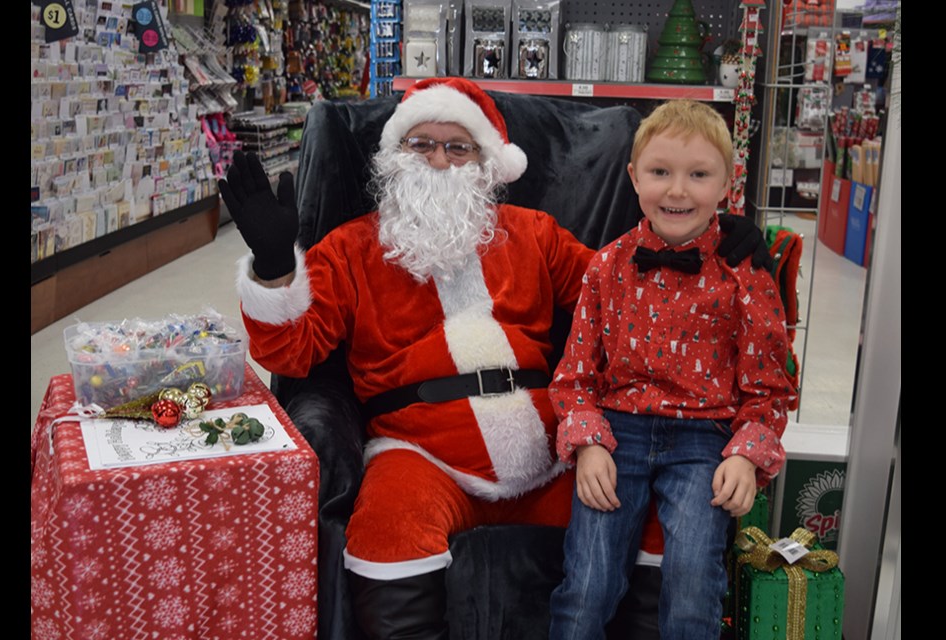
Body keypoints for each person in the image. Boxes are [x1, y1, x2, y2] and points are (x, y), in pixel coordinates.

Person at [219, 78, 771, 640]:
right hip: (420, 451)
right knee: (387, 529)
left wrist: (709, 241)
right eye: (421, 144)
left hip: (553, 453)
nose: (439, 159)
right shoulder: (353, 247)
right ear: (394, 156)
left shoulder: (533, 235)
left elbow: (625, 294)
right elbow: (292, 350)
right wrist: (272, 268)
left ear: (487, 163)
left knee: (653, 521)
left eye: (458, 147)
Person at [547, 99, 798, 639]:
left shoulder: (746, 274)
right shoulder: (607, 266)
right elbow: (574, 375)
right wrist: (589, 442)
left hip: (704, 439)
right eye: (660, 172)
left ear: (727, 185)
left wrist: (747, 456)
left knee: (692, 583)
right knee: (586, 583)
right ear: (635, 177)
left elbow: (768, 383)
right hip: (618, 432)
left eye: (698, 175)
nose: (678, 191)